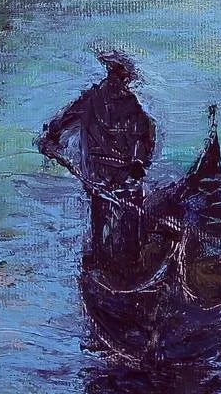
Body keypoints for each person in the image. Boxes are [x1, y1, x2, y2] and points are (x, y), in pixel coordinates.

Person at [38, 51, 158, 272]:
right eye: (121, 77)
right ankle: (116, 264)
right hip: (106, 175)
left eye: (122, 78)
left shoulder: (115, 102)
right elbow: (145, 138)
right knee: (113, 218)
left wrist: (139, 163)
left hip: (111, 175)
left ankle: (117, 264)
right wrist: (50, 138)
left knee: (117, 217)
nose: (121, 82)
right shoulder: (108, 101)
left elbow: (144, 137)